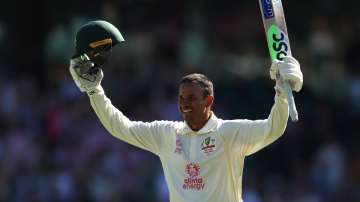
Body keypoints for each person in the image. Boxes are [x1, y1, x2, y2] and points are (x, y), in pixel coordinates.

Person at [69, 20, 303, 202]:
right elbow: (120, 127)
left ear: (209, 100)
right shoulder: (166, 134)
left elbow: (273, 128)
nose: (184, 104)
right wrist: (95, 92)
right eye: (181, 98)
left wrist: (282, 93)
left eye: (191, 98)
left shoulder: (229, 133)